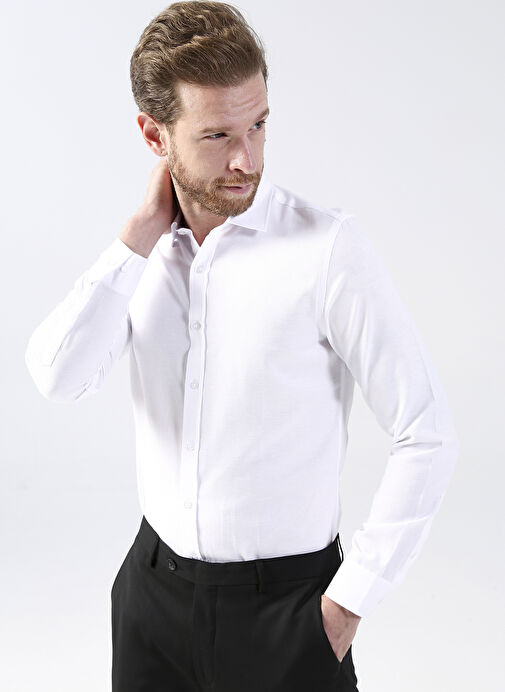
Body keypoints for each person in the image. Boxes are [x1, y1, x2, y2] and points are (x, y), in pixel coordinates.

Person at [24, 2, 460, 691]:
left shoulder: (327, 249)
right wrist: (138, 235)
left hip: (288, 611)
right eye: (217, 135)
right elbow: (58, 377)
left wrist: (346, 607)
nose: (245, 159)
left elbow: (426, 431)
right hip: (151, 602)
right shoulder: (143, 258)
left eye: (258, 125)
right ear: (154, 134)